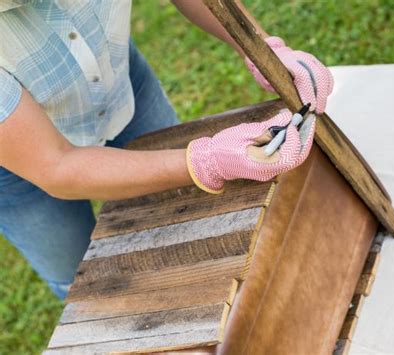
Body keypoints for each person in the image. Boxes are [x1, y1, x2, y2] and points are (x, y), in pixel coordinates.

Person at [0, 0, 333, 299]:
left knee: (188, 215)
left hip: (118, 81)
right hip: (17, 168)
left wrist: (263, 48)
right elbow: (57, 166)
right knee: (82, 278)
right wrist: (205, 161)